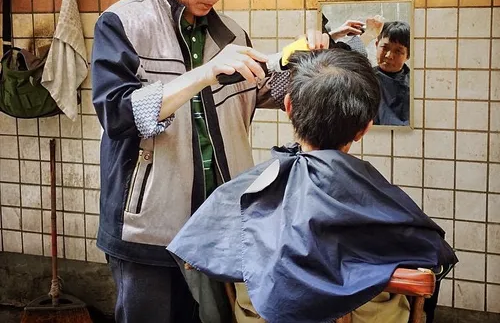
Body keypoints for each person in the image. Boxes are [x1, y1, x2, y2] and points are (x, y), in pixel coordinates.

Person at [91, 0, 329, 323]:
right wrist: (202, 74)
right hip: (148, 227)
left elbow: (265, 90)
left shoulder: (231, 33)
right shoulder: (123, 23)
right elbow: (116, 113)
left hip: (220, 224)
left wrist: (312, 60)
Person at [168, 48, 457, 323]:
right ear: (365, 127)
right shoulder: (373, 195)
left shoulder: (247, 188)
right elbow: (432, 255)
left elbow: (200, 248)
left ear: (289, 106)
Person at [373, 21, 410, 126]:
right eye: (385, 47)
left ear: (408, 55)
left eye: (398, 51)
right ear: (376, 45)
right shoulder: (364, 78)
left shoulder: (416, 84)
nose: (389, 55)